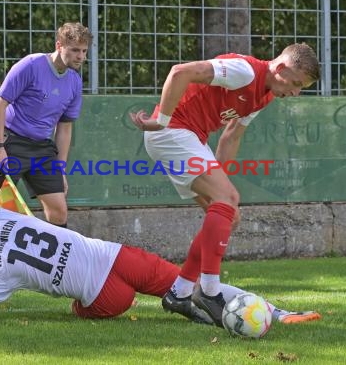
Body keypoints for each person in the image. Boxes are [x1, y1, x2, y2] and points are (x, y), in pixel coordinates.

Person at [129, 43, 321, 327]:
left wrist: (223, 189)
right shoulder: (244, 72)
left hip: (190, 137)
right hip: (173, 131)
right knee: (227, 200)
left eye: (301, 88)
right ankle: (209, 291)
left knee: (229, 215)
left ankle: (179, 293)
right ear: (280, 69)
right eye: (295, 84)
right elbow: (180, 72)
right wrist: (161, 120)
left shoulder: (265, 95)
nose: (295, 93)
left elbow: (231, 136)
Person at [0, 204, 321, 326]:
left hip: (108, 297)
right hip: (117, 255)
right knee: (189, 280)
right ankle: (277, 313)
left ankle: (197, 309)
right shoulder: (3, 219)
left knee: (75, 307)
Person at [0, 21, 93, 228]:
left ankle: (57, 260)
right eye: (75, 50)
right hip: (12, 142)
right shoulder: (31, 65)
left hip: (43, 149)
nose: (81, 57)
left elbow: (65, 127)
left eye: (84, 51)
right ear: (59, 45)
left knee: (59, 212)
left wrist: (60, 168)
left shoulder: (75, 81)